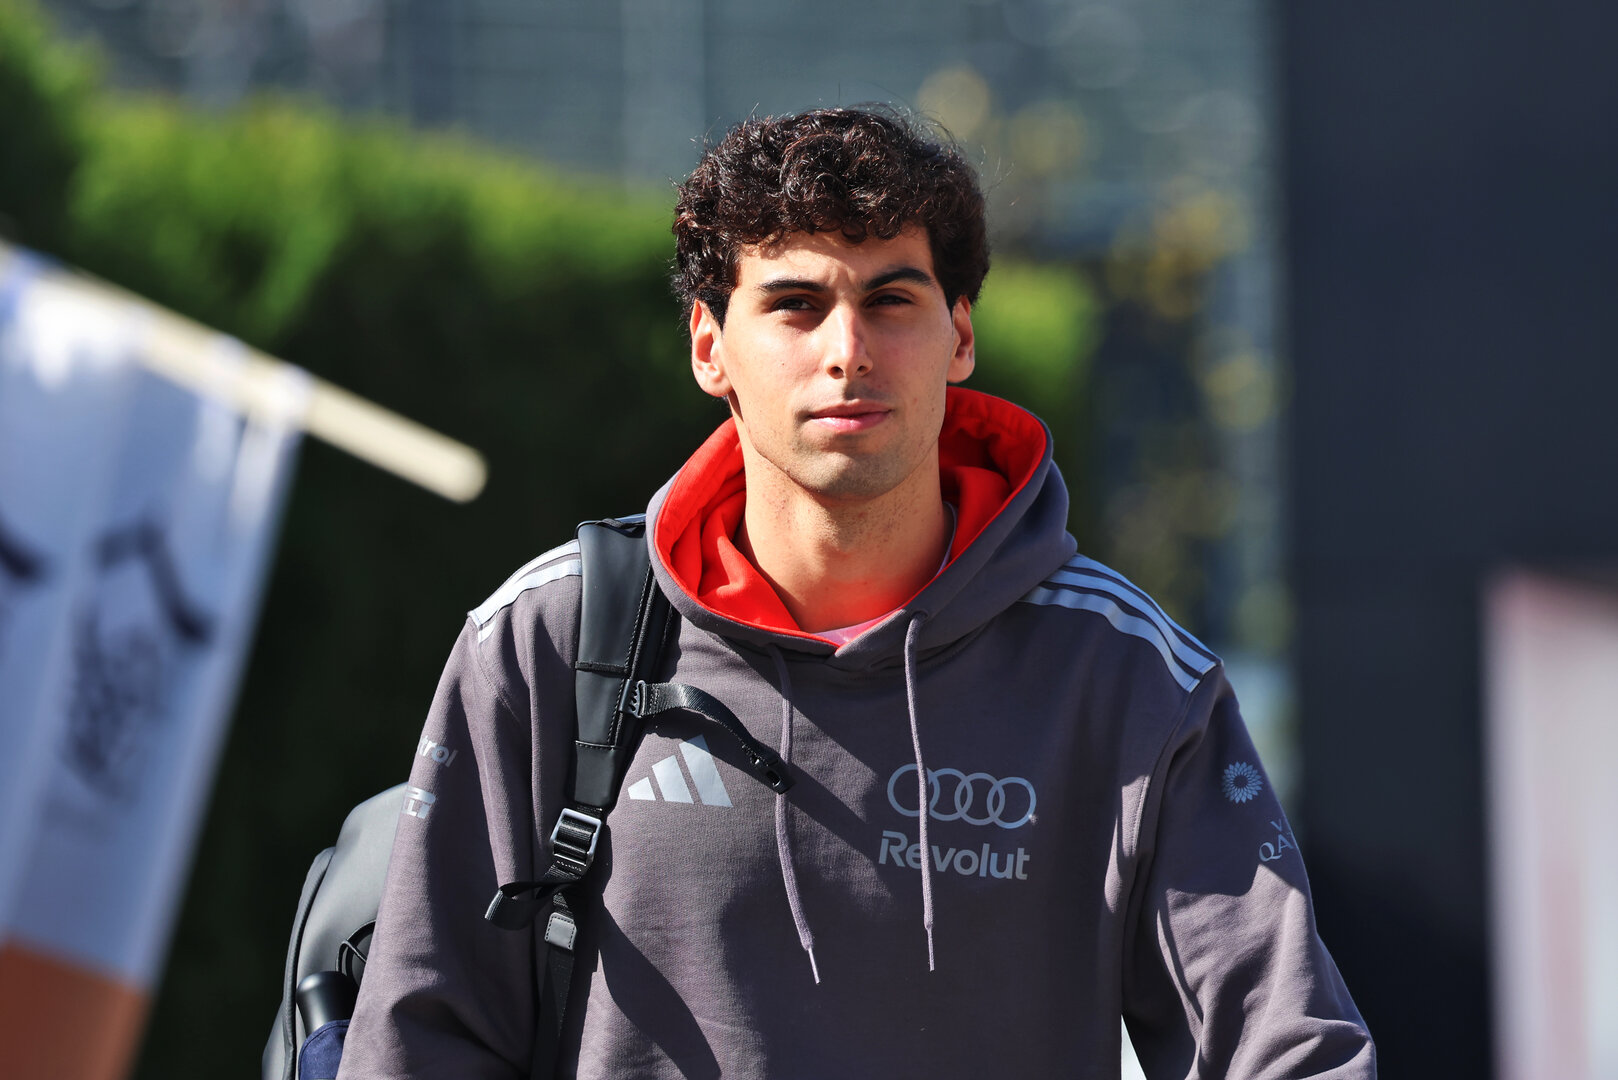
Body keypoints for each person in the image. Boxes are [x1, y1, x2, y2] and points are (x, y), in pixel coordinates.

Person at [338, 106, 1375, 1079]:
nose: (848, 351)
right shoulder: (546, 642)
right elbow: (419, 1046)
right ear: (711, 348)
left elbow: (1286, 1048)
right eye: (794, 303)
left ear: (959, 336)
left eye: (892, 299)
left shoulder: (1126, 677)